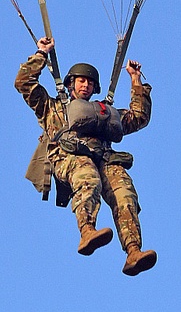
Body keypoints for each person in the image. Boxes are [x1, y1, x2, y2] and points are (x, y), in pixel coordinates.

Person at [16, 38, 158, 276]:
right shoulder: (53, 109)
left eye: (90, 83)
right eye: (81, 81)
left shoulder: (104, 113)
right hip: (69, 157)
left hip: (104, 158)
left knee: (125, 193)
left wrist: (135, 80)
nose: (86, 86)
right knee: (88, 177)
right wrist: (41, 54)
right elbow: (23, 83)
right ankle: (87, 232)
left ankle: (133, 251)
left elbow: (138, 117)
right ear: (71, 84)